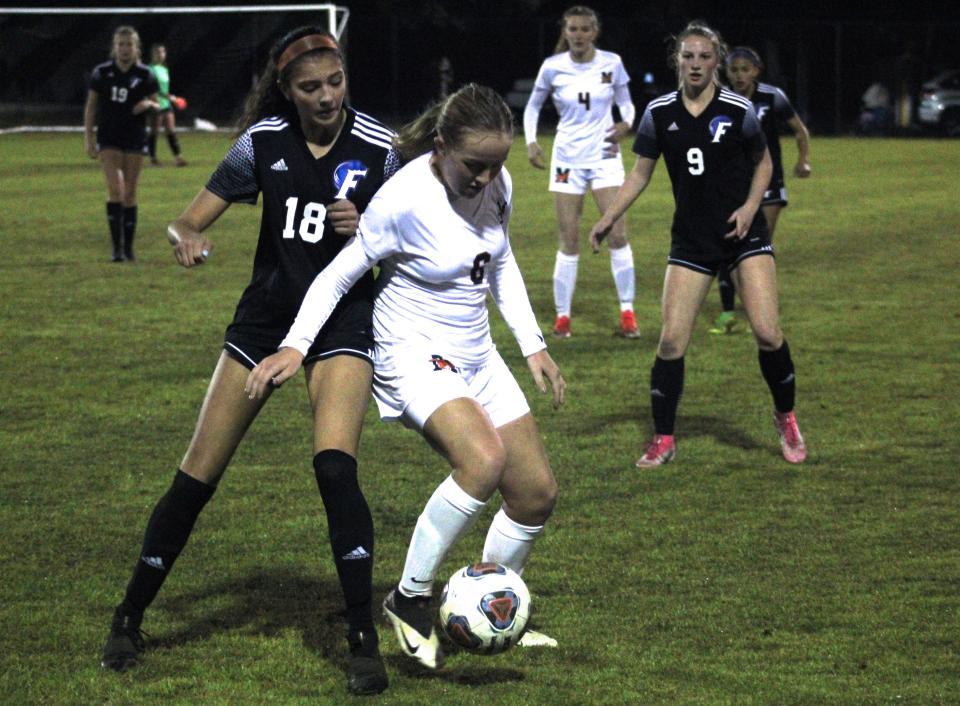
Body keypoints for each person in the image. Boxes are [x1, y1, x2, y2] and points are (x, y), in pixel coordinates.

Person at [99, 26, 399, 696]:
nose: (327, 98)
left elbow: (411, 239)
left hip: (341, 321)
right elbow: (187, 219)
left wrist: (373, 232)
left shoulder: (381, 147)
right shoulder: (263, 142)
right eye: (310, 88)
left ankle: (360, 640)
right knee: (196, 478)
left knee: (334, 466)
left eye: (336, 83)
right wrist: (187, 240)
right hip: (266, 323)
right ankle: (130, 615)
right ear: (286, 91)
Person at [246, 83, 566, 670]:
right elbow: (339, 276)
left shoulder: (498, 184)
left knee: (535, 494)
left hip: (476, 351)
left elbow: (502, 259)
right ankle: (411, 598)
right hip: (412, 348)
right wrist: (295, 346)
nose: (488, 178)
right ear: (441, 147)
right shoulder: (405, 198)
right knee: (482, 461)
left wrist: (533, 345)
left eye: (499, 165)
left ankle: (493, 607)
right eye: (475, 165)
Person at [588, 21, 807, 468]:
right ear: (677, 61)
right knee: (670, 343)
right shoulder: (659, 113)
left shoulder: (738, 108)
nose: (695, 64)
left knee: (766, 332)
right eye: (688, 56)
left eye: (705, 57)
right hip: (691, 239)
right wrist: (609, 217)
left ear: (716, 63)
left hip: (743, 235)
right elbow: (640, 174)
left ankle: (786, 416)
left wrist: (750, 207)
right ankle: (663, 438)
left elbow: (763, 163)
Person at [523, 5, 639, 339]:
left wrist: (626, 124)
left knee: (617, 233)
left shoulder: (611, 63)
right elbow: (532, 107)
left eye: (585, 29)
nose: (578, 35)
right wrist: (531, 142)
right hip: (567, 160)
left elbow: (627, 104)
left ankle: (627, 313)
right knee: (569, 237)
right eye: (572, 29)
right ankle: (563, 317)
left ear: (595, 32)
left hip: (604, 156)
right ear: (565, 31)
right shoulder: (552, 67)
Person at [710, 46, 811, 334]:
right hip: (731, 184)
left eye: (745, 69)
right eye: (734, 70)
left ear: (757, 70)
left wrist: (803, 161)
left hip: (769, 182)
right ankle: (728, 312)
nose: (739, 75)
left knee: (755, 245)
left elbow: (800, 130)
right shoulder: (719, 98)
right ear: (726, 71)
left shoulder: (772, 96)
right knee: (726, 245)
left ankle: (759, 304)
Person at [83, 26, 159, 262]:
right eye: (121, 44)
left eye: (129, 44)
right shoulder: (102, 73)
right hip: (109, 138)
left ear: (136, 48)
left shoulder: (146, 74)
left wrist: (147, 105)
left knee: (130, 193)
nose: (125, 49)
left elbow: (158, 106)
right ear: (114, 47)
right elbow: (91, 107)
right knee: (115, 190)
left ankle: (129, 249)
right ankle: (117, 249)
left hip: (134, 138)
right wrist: (88, 137)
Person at [147, 43, 187, 167]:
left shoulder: (164, 69)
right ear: (153, 54)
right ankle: (153, 159)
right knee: (154, 132)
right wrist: (171, 97)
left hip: (166, 103)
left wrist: (170, 97)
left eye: (162, 52)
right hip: (155, 103)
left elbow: (164, 88)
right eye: (158, 52)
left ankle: (178, 158)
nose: (161, 55)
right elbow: (153, 89)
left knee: (171, 130)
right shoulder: (150, 69)